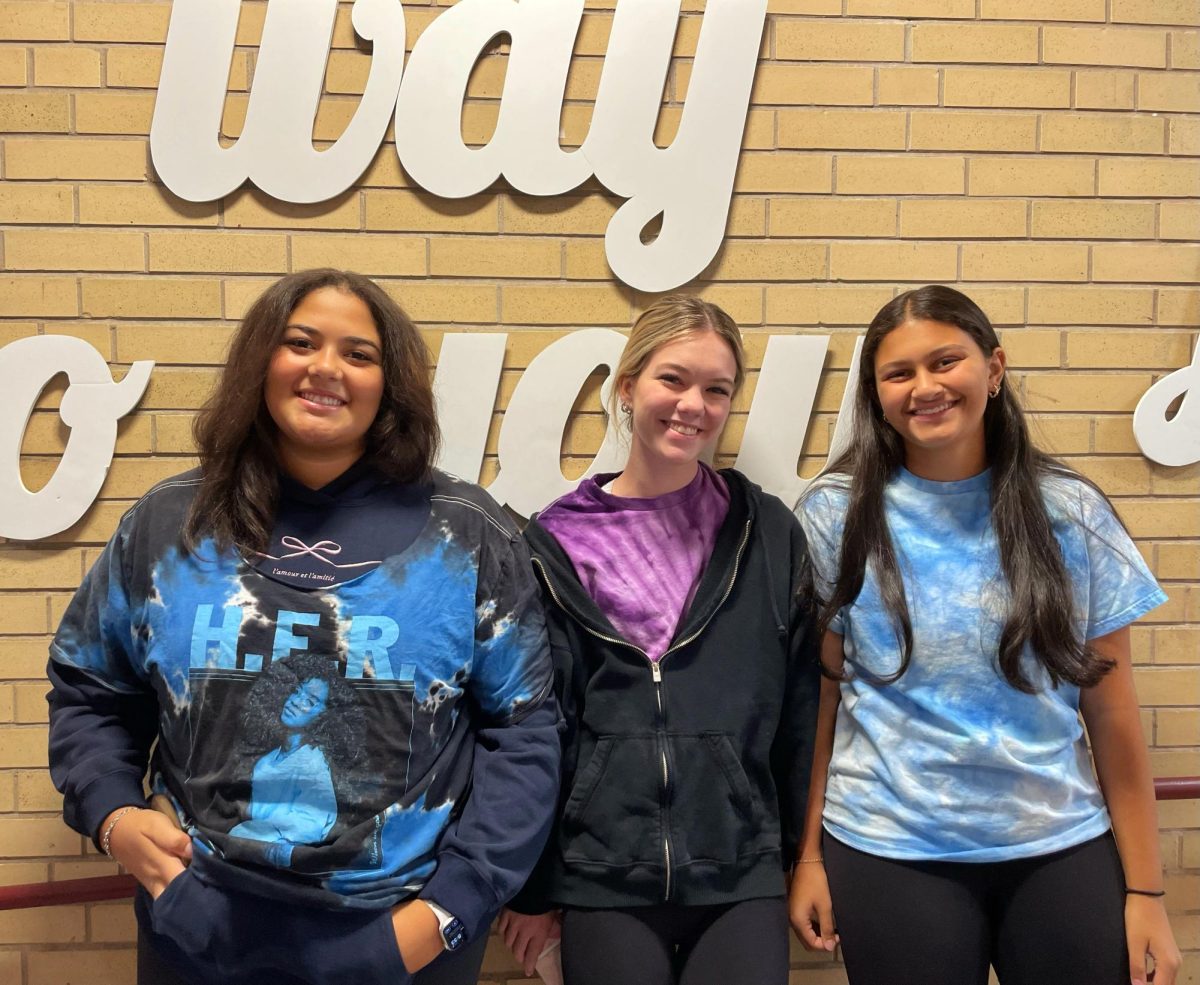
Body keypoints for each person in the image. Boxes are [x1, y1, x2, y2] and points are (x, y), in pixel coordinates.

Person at [47, 269, 561, 985]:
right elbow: (90, 691)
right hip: (200, 925)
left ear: (391, 384)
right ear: (262, 360)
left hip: (399, 937)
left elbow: (526, 731)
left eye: (359, 353)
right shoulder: (168, 527)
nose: (326, 368)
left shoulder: (466, 535)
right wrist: (113, 816)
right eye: (301, 342)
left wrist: (448, 908)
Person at [791, 285, 1181, 985]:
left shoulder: (1071, 511)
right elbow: (821, 701)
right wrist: (810, 855)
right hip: (889, 846)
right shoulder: (834, 512)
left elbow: (1114, 715)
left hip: (1056, 840)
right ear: (876, 393)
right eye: (899, 372)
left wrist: (1147, 892)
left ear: (994, 369)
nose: (925, 387)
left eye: (946, 361)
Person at [498, 295, 821, 985]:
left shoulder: (765, 531)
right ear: (628, 386)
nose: (693, 404)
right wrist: (532, 886)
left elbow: (802, 709)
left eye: (716, 389)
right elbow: (537, 724)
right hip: (602, 875)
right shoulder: (553, 541)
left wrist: (804, 859)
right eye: (672, 379)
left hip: (741, 872)